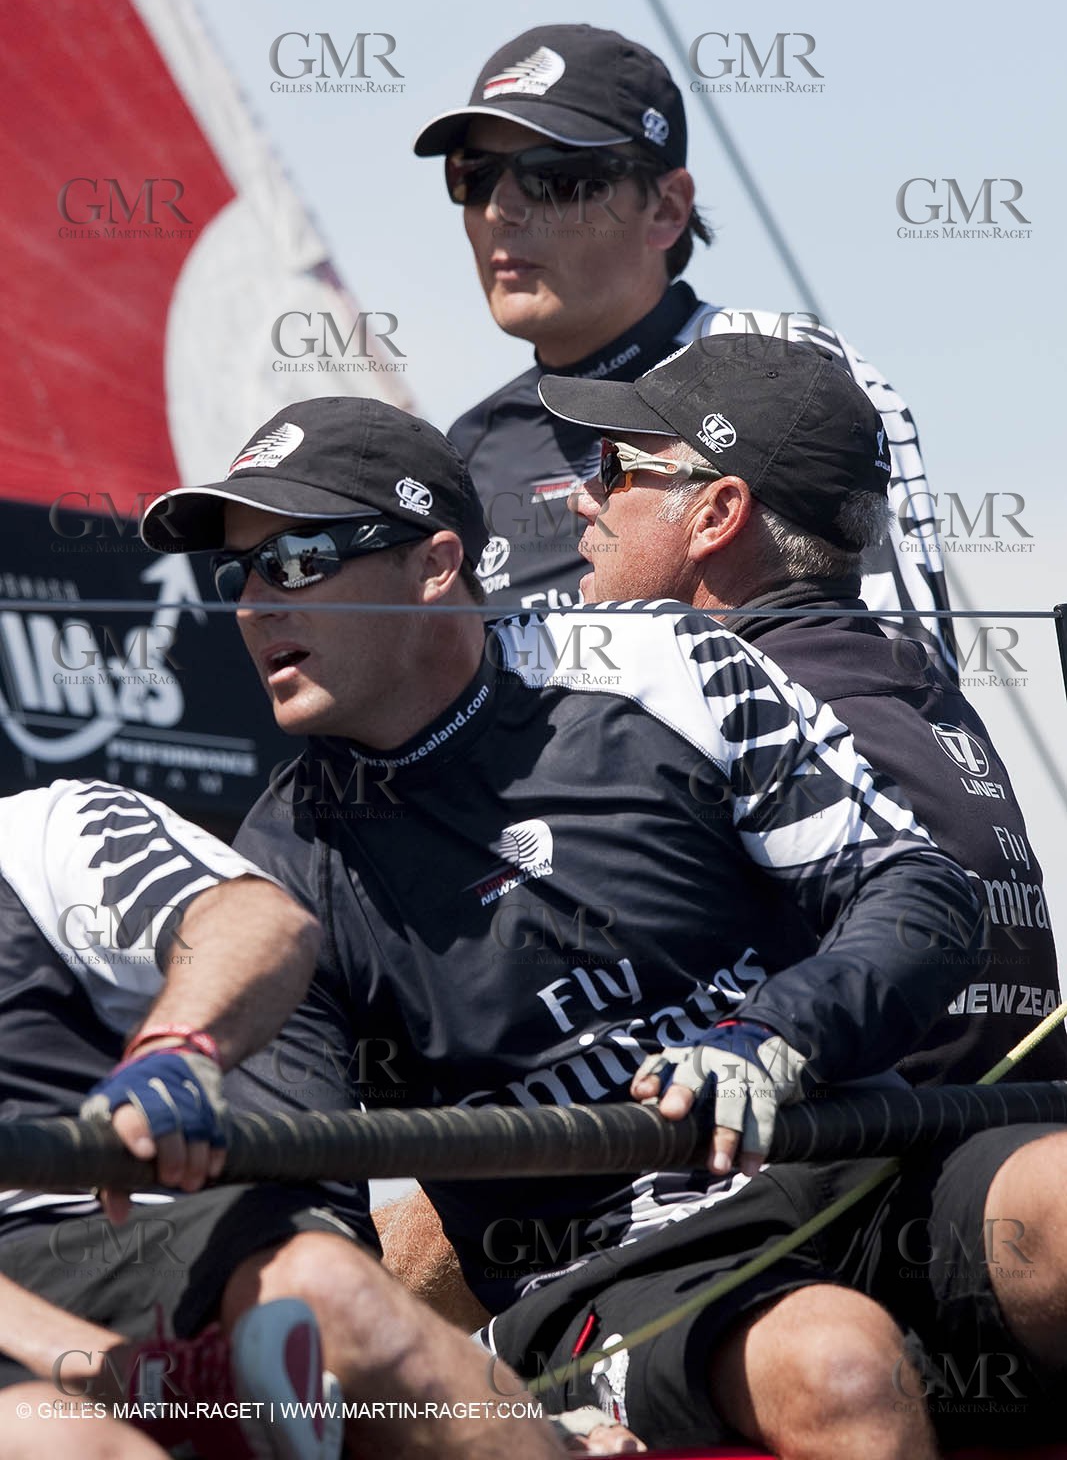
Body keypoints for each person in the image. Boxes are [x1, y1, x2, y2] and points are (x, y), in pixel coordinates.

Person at [140, 392, 984, 1458]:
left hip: (851, 1158)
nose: (255, 604)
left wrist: (774, 1036)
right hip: (609, 1276)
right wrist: (491, 1414)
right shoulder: (277, 874)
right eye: (237, 574)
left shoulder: (667, 662)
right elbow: (306, 1222)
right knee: (839, 1365)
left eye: (296, 559)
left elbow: (917, 890)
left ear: (434, 563)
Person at [493, 330, 1066, 1454]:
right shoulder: (914, 685)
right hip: (959, 1230)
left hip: (804, 1254)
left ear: (714, 517)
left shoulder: (703, 719)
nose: (582, 505)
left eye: (617, 471)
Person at [0, 778, 562, 1460]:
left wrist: (175, 1048)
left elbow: (255, 923)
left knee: (334, 1291)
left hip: (126, 1235)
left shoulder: (38, 828)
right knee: (65, 1441)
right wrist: (116, 1368)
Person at [413, 22, 956, 677]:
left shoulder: (788, 373)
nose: (501, 207)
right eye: (473, 174)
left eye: (553, 177)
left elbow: (901, 678)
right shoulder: (464, 450)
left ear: (667, 208)